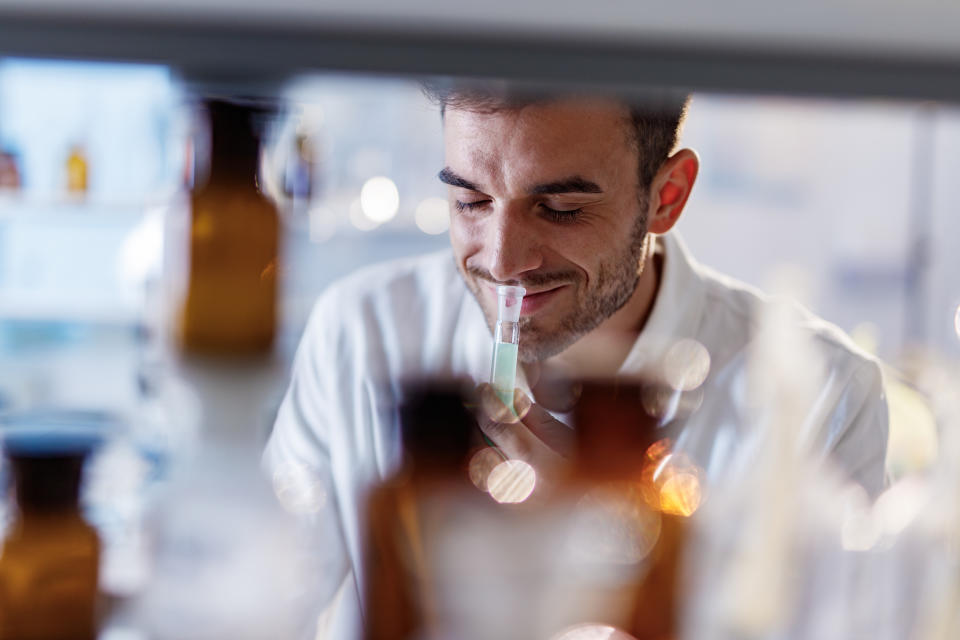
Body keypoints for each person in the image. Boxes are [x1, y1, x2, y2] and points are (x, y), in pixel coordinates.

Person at [263, 86, 888, 636]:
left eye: (561, 209)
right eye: (471, 202)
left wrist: (614, 551)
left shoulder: (823, 396)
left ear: (666, 196)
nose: (504, 262)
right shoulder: (362, 333)